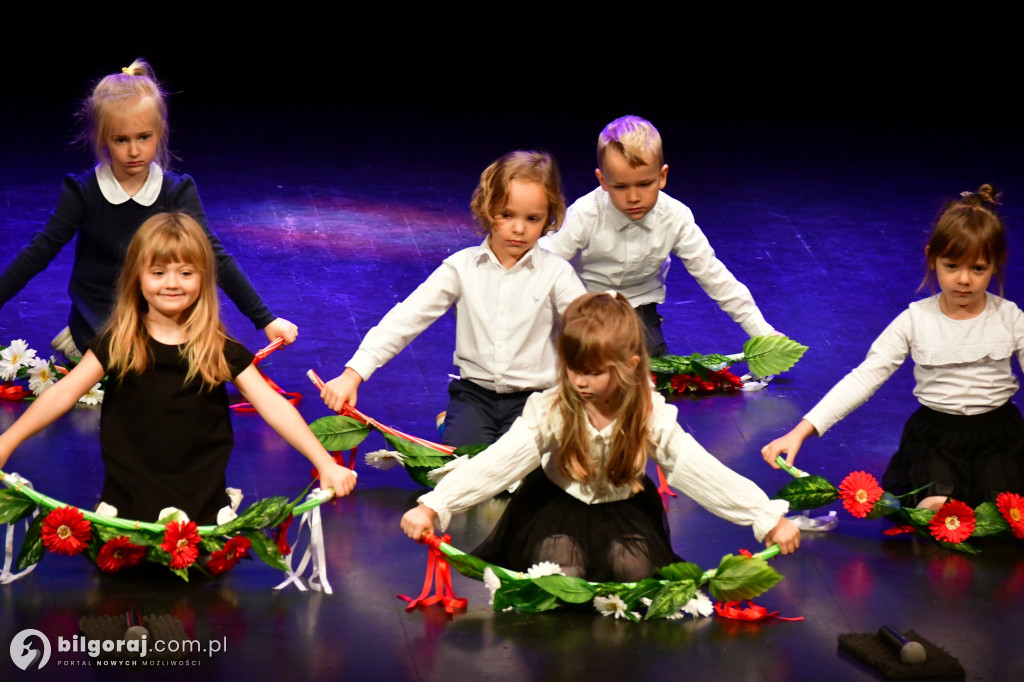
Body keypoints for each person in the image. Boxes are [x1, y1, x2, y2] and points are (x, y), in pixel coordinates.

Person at [401, 293, 798, 582]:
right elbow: (498, 464)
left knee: (634, 574)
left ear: (629, 366)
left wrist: (765, 517)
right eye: (572, 368)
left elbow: (700, 471)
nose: (578, 381)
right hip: (557, 505)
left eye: (592, 372)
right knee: (561, 575)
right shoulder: (553, 408)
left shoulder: (648, 415)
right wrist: (436, 505)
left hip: (623, 509)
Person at [0, 212, 355, 524]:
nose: (172, 283)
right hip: (130, 500)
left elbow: (273, 406)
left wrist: (324, 463)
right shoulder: (120, 343)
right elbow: (63, 392)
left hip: (199, 502)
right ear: (137, 277)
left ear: (203, 278)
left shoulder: (217, 349)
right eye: (158, 272)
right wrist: (7, 442)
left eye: (185, 273)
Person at [0, 59, 296, 360]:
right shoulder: (83, 191)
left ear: (160, 131)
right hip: (100, 324)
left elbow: (214, 256)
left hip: (160, 319)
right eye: (120, 140)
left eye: (144, 137)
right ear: (102, 138)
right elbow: (39, 251)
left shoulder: (176, 192)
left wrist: (266, 319)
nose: (133, 151)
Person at [762, 184, 1024, 510]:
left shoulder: (1011, 319)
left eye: (978, 268)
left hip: (998, 438)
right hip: (936, 439)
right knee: (938, 504)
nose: (964, 280)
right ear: (932, 259)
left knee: (1003, 507)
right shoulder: (915, 320)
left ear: (997, 264)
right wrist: (801, 430)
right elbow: (865, 377)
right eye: (952, 266)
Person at [321, 151, 586, 447]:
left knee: (523, 481)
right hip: (475, 397)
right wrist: (353, 373)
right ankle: (454, 423)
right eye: (507, 215)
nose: (519, 228)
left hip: (537, 400)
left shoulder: (556, 273)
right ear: (487, 209)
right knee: (462, 477)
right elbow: (407, 317)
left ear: (549, 217)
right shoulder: (462, 267)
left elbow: (590, 327)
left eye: (533, 218)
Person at [540, 115, 776, 357]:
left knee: (646, 365)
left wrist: (762, 332)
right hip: (586, 301)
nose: (633, 197)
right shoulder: (586, 214)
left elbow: (712, 274)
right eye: (621, 187)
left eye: (644, 184)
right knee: (583, 359)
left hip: (638, 303)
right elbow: (546, 260)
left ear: (662, 176)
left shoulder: (675, 217)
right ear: (603, 181)